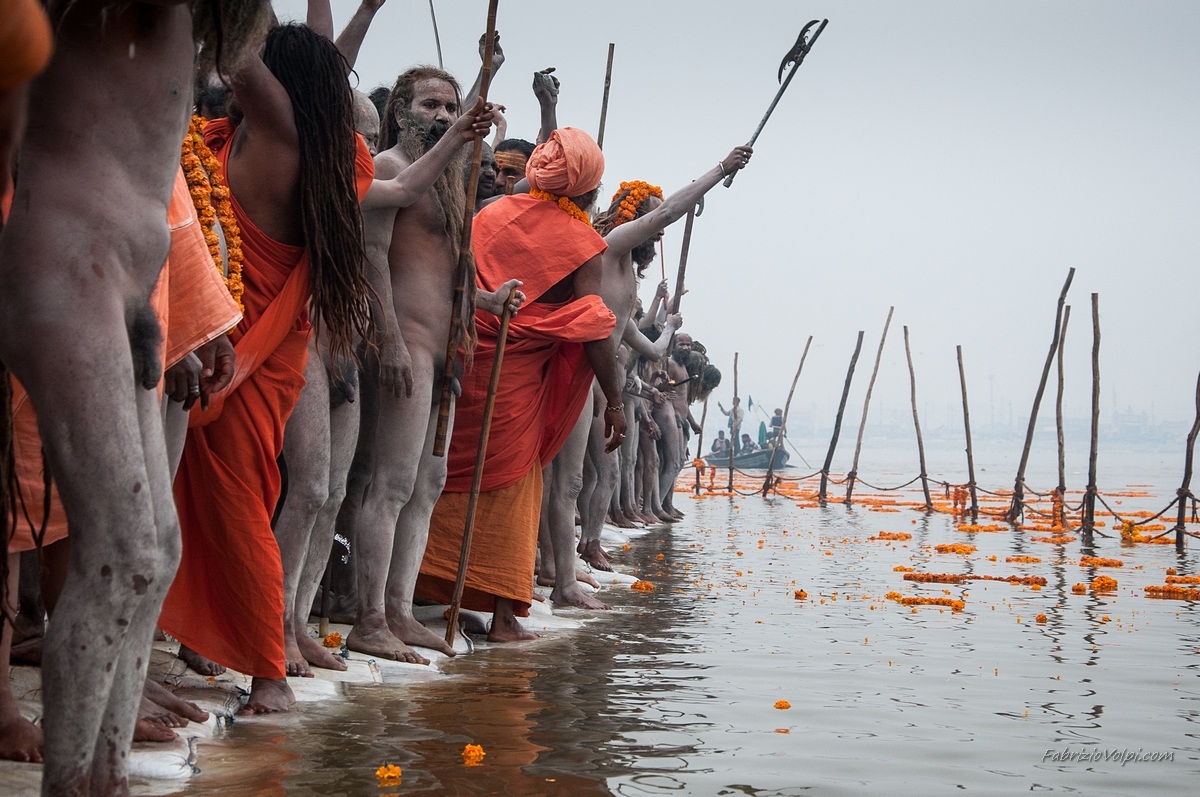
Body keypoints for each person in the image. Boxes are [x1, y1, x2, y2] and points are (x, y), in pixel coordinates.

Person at [0, 0, 266, 787]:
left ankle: (106, 773)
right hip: (64, 262)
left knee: (156, 547)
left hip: (131, 276)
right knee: (120, 550)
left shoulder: (187, 19)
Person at [159, 21, 375, 715]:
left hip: (240, 347)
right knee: (207, 498)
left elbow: (237, 40)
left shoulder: (279, 131)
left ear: (281, 85)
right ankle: (211, 645)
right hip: (250, 340)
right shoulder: (307, 142)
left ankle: (270, 677)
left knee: (237, 502)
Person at [415, 126, 625, 641]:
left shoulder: (489, 214)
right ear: (590, 190)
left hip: (464, 358)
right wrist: (614, 401)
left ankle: (436, 590)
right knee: (510, 482)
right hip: (514, 377)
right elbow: (596, 325)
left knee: (441, 472)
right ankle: (504, 617)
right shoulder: (583, 242)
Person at [347, 64, 512, 664]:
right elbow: (372, 258)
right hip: (407, 343)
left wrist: (491, 300)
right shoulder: (390, 169)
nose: (442, 117)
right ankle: (369, 619)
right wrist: (388, 339)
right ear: (400, 112)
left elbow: (452, 266)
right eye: (430, 106)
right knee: (389, 484)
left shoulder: (449, 183)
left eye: (450, 108)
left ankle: (398, 608)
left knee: (428, 483)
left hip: (447, 350)